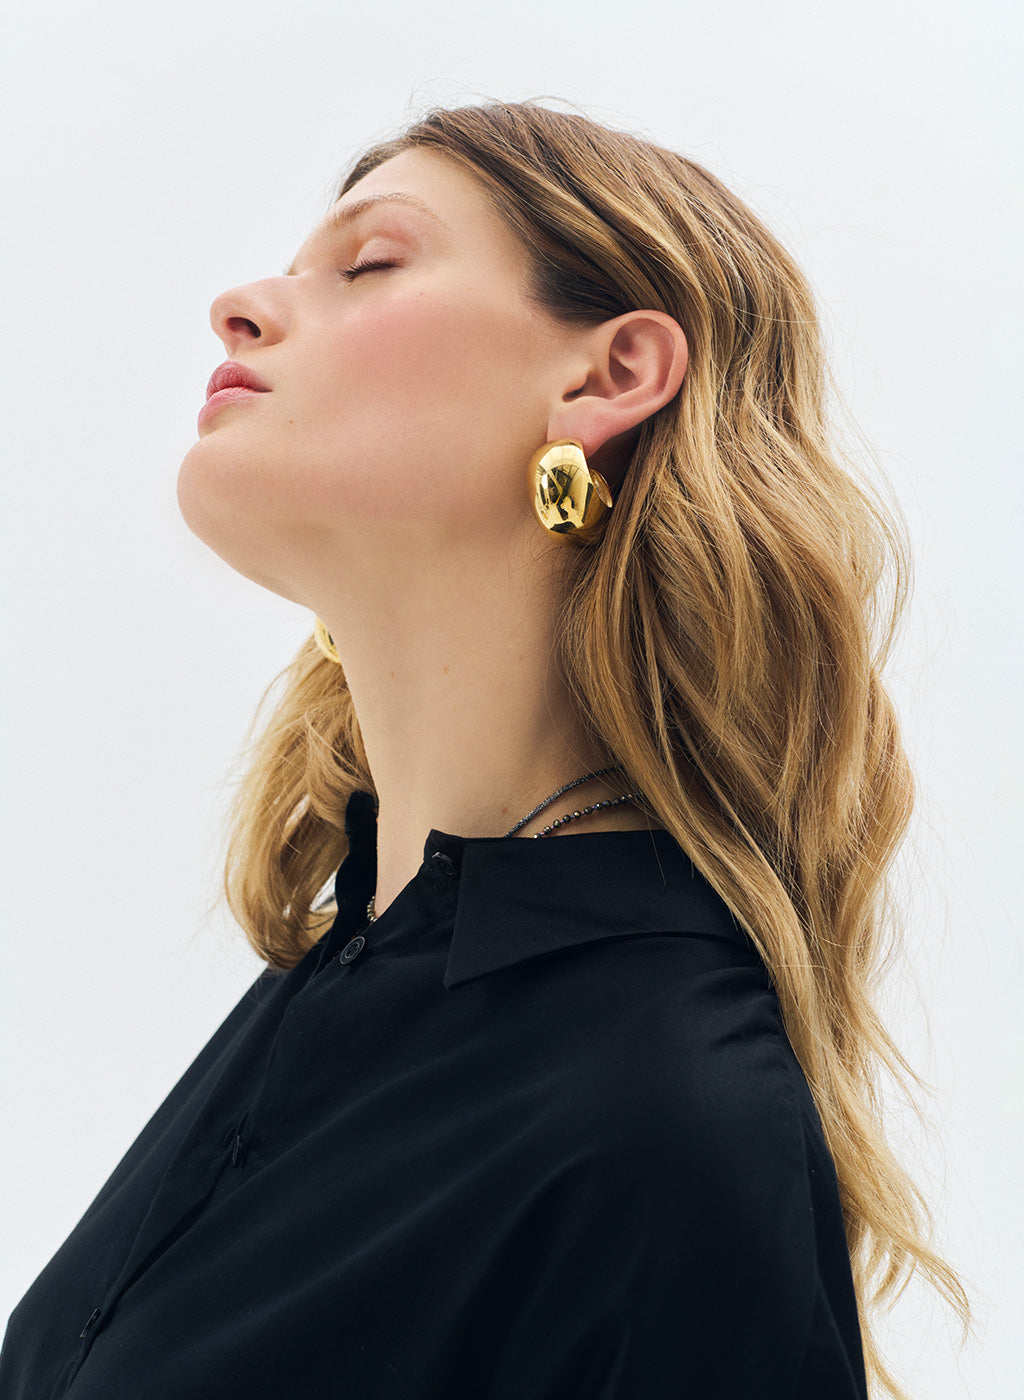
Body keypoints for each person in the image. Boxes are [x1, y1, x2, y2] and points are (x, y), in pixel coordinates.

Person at [0, 99, 970, 1399]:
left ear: (610, 377)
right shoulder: (343, 971)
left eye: (368, 263)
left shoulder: (666, 1117)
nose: (240, 306)